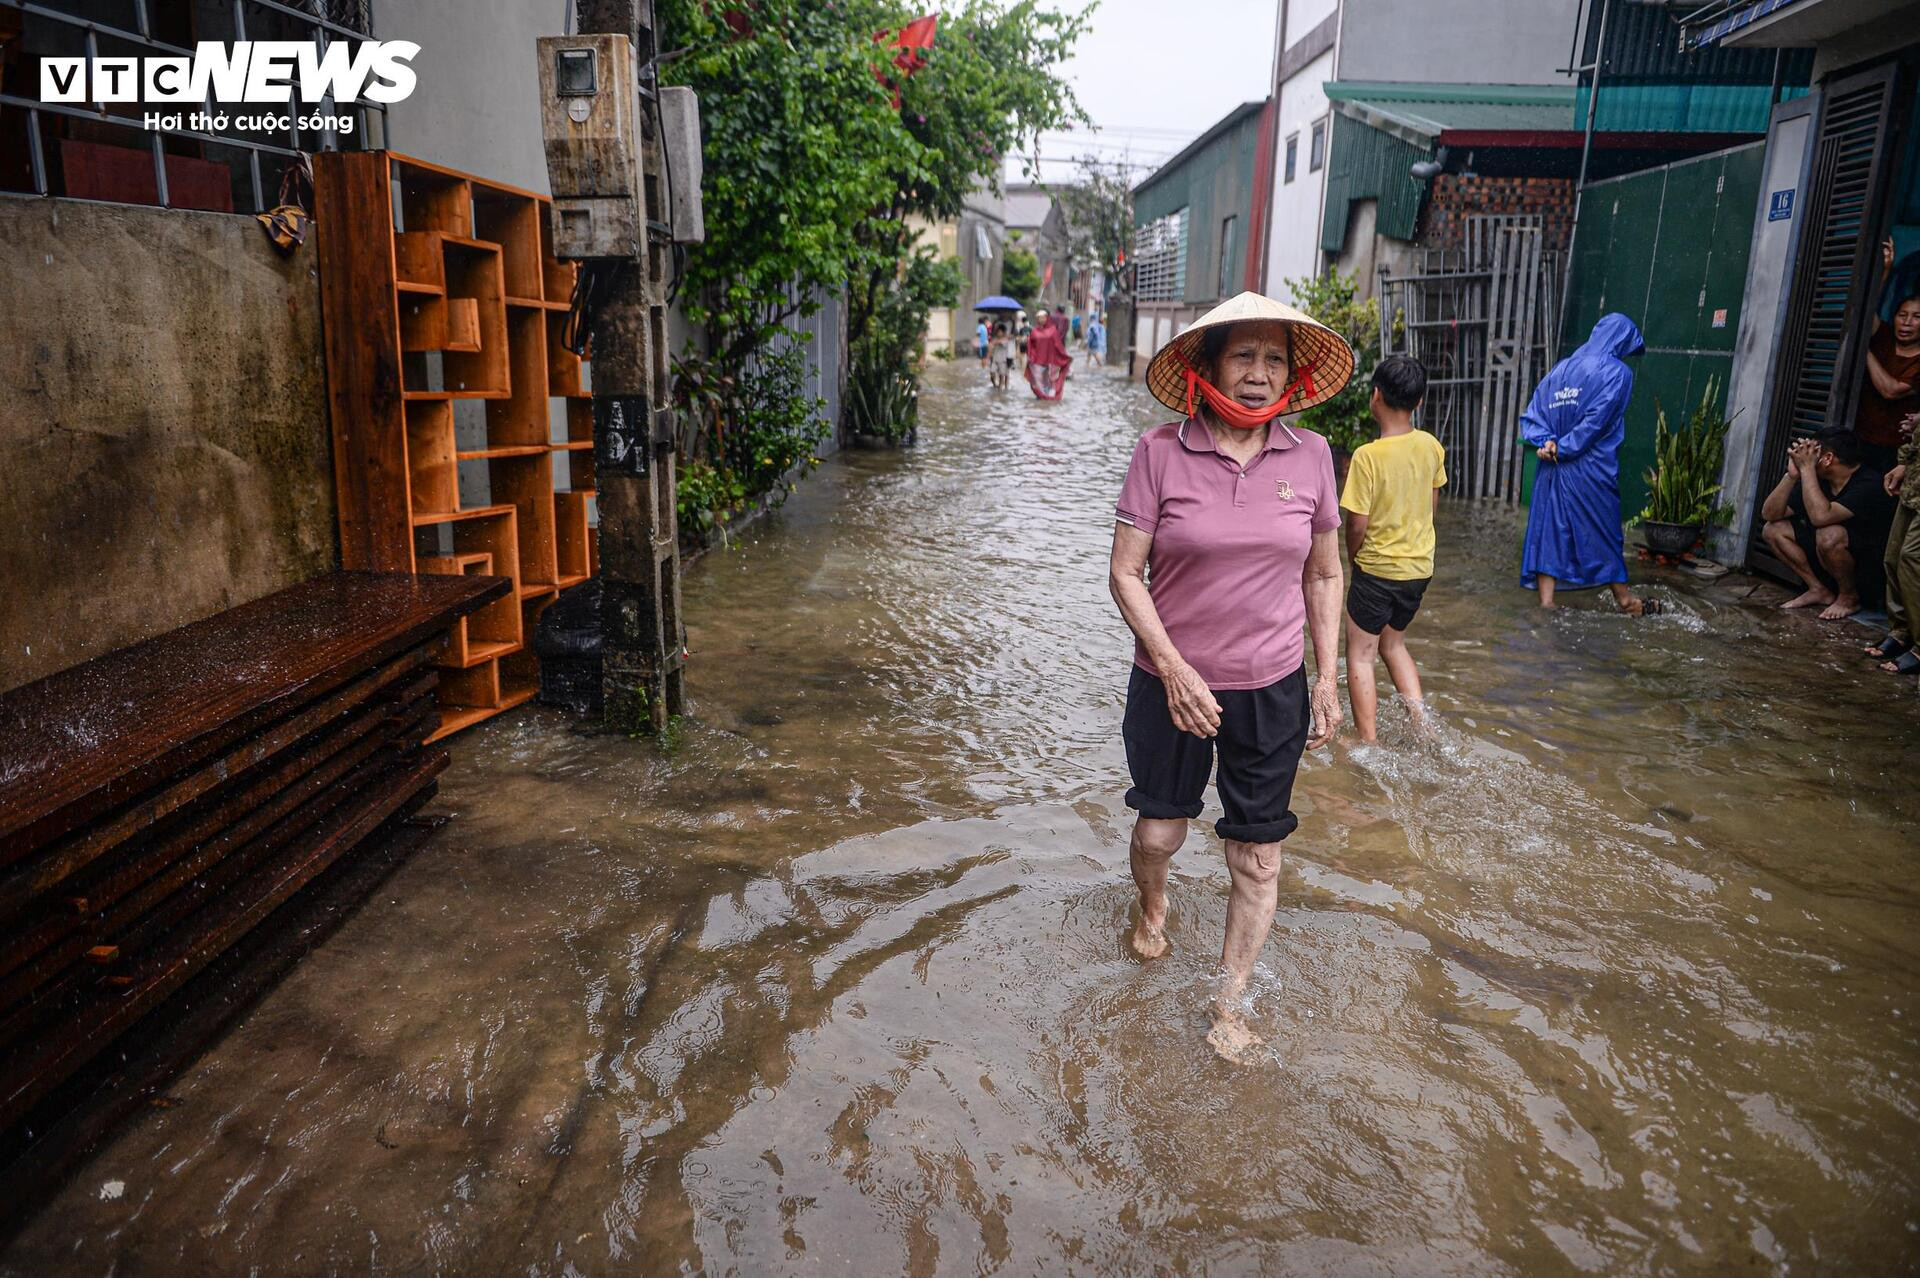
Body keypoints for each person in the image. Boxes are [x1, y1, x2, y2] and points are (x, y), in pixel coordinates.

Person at [1109, 291, 1356, 1061]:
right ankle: (1153, 906)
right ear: (1210, 366)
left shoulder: (1311, 456)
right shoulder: (1159, 452)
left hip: (1272, 685)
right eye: (1242, 356)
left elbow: (1324, 574)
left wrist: (1326, 679)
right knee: (1160, 833)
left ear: (1292, 373)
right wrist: (1174, 667)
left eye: (1274, 358)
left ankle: (1229, 1003)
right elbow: (1124, 574)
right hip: (1168, 683)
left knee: (1257, 854)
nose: (1258, 373)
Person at [1519, 312, 1661, 615]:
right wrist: (1563, 448)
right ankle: (1625, 601)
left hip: (1552, 467)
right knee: (1602, 530)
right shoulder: (1618, 373)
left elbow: (1533, 415)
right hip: (1590, 468)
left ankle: (1546, 604)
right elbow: (1597, 421)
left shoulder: (1560, 369)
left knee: (1549, 532)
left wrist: (1548, 443)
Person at [1340, 355, 1446, 743]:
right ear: (1419, 401)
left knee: (1360, 655)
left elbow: (1356, 525)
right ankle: (1422, 724)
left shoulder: (1367, 457)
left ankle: (1367, 742)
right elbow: (1431, 508)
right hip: (1418, 570)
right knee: (1394, 643)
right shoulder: (1431, 446)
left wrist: (1354, 560)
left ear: (1376, 396)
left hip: (1376, 570)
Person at [1760, 427, 1895, 620]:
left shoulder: (1870, 483)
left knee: (1829, 533)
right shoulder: (1819, 480)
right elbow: (1770, 514)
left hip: (1868, 570)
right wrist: (1791, 476)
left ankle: (1849, 598)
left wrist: (1807, 470)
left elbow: (1821, 517)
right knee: (1773, 529)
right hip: (1826, 560)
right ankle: (1818, 589)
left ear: (1828, 458)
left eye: (1812, 452)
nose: (1805, 457)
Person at [1868, 410, 1920, 673]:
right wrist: (1906, 462)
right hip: (1915, 480)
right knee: (1894, 556)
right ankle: (1902, 631)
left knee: (1912, 559)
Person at [1857, 275, 1920, 474]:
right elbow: (1864, 311)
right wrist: (1883, 273)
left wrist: (1865, 351)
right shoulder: (1884, 337)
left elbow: (1891, 390)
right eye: (1902, 315)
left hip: (1893, 450)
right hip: (1859, 437)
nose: (1907, 322)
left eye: (1917, 317)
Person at [1024, 309, 1072, 400]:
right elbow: (1030, 345)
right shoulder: (1034, 331)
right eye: (1038, 318)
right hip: (1037, 360)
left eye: (1042, 317)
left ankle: (1049, 397)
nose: (1040, 319)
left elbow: (1058, 345)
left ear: (1047, 318)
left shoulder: (1053, 330)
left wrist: (1064, 357)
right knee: (1037, 379)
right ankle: (1041, 395)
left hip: (1051, 360)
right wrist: (1030, 356)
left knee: (1050, 379)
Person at [987, 321, 1013, 391]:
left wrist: (994, 342)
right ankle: (995, 384)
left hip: (1003, 360)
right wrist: (988, 357)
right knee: (992, 372)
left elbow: (1001, 343)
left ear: (1003, 332)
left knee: (1002, 374)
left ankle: (1001, 388)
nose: (999, 333)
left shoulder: (1006, 339)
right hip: (995, 360)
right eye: (998, 332)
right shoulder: (994, 339)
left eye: (1000, 332)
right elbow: (990, 347)